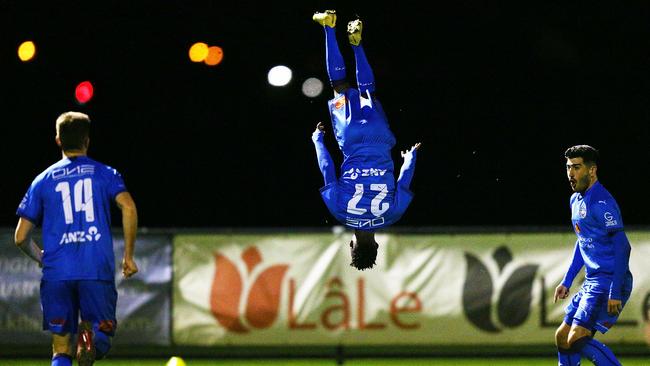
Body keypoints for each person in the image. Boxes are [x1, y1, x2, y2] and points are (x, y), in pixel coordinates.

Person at [14, 111, 138, 366]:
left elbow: (20, 237)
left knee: (61, 346)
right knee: (102, 334)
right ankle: (91, 341)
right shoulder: (106, 173)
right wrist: (128, 255)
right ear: (87, 140)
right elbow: (128, 207)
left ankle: (79, 346)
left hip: (57, 272)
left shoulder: (42, 180)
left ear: (58, 140)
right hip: (96, 269)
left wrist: (41, 257)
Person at [311, 10, 420, 271]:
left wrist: (410, 158)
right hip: (351, 139)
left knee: (367, 92)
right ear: (352, 244)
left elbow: (405, 179)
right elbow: (327, 170)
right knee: (339, 84)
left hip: (381, 139)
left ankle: (357, 46)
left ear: (377, 245)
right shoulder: (340, 212)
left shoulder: (393, 215)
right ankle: (328, 27)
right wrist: (318, 140)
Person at [553, 145, 632, 366]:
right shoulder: (575, 201)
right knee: (562, 337)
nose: (571, 174)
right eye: (568, 168)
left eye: (577, 167)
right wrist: (567, 281)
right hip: (592, 281)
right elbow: (583, 242)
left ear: (592, 170)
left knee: (576, 338)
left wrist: (615, 290)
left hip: (608, 281)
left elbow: (623, 247)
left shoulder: (602, 203)